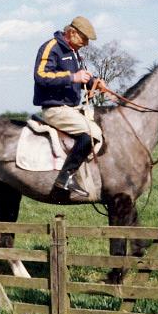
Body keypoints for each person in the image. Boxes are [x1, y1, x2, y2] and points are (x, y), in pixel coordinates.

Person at [33, 16, 104, 197]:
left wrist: (95, 83)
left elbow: (82, 78)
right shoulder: (51, 47)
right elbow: (41, 76)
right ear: (72, 33)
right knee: (91, 134)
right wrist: (73, 77)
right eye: (84, 38)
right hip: (55, 109)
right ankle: (65, 177)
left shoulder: (74, 52)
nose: (86, 44)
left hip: (71, 108)